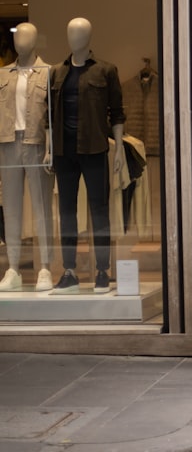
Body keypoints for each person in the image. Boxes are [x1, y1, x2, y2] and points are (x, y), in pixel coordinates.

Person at [49, 17, 126, 294]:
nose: (74, 38)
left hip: (94, 149)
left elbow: (117, 113)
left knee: (99, 210)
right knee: (66, 212)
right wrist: (49, 149)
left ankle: (103, 270)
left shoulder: (106, 70)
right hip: (64, 152)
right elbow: (49, 116)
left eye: (79, 33)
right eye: (70, 33)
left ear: (89, 37)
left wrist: (119, 149)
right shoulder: (56, 72)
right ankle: (69, 271)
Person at [0, 22, 55, 292]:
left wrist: (50, 148)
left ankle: (45, 266)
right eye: (17, 36)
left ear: (35, 41)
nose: (20, 41)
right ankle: (13, 268)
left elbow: (53, 116)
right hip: (8, 143)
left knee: (42, 207)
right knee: (10, 208)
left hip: (36, 143)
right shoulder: (2, 74)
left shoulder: (48, 72)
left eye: (26, 36)